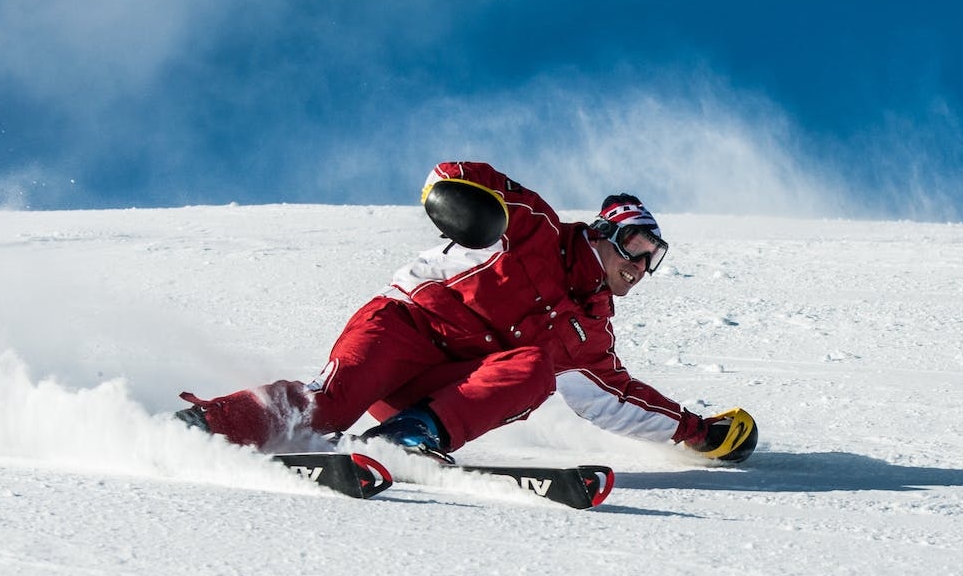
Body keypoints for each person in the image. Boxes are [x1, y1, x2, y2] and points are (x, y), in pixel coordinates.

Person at [176, 160, 756, 463]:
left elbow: (617, 400)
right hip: (402, 329)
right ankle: (213, 425)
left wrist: (698, 432)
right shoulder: (537, 229)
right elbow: (461, 174)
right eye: (636, 248)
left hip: (437, 390)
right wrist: (461, 205)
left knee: (533, 371)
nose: (640, 266)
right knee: (330, 405)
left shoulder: (590, 332)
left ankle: (408, 438)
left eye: (652, 259)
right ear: (605, 234)